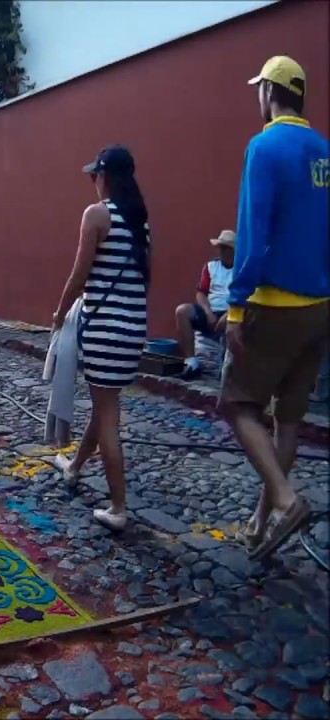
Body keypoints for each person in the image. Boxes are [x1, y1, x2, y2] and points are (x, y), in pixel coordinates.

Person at [222, 56, 328, 560]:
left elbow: (252, 230)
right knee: (287, 422)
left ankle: (283, 501)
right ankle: (261, 526)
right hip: (319, 308)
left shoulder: (264, 146)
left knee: (237, 405)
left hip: (274, 304)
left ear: (269, 92)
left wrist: (236, 308)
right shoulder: (324, 151)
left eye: (258, 89)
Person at [50, 145, 151, 532]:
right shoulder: (140, 220)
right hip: (132, 328)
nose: (93, 181)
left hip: (104, 326)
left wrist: (60, 313)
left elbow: (79, 275)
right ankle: (75, 465)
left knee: (108, 415)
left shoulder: (97, 215)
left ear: (106, 176)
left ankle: (119, 507)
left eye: (95, 175)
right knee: (104, 402)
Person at [174, 231, 234, 379]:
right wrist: (208, 313)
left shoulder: (241, 268)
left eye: (224, 248)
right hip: (211, 310)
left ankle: (227, 370)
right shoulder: (211, 266)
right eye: (220, 248)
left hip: (232, 312)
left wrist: (228, 314)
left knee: (234, 323)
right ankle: (191, 363)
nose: (220, 251)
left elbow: (245, 295)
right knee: (182, 311)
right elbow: (201, 292)